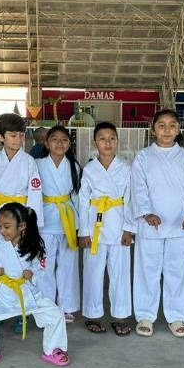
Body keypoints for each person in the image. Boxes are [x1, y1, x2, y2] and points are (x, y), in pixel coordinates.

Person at [130, 109, 184, 338]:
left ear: (178, 130)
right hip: (151, 224)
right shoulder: (143, 157)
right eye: (161, 125)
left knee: (177, 272)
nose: (167, 130)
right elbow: (138, 188)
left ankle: (177, 316)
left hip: (180, 224)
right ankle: (145, 315)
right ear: (153, 130)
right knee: (147, 271)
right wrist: (146, 212)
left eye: (172, 125)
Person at [0, 202, 70, 368]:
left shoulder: (34, 246)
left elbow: (41, 268)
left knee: (56, 315)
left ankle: (54, 349)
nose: (1, 231)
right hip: (2, 295)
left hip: (27, 293)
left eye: (6, 226)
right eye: (0, 226)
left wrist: (32, 274)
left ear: (22, 226)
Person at [77, 122, 134, 336]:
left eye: (112, 138)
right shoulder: (89, 169)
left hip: (119, 226)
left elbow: (130, 199)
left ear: (118, 141)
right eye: (102, 138)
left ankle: (120, 316)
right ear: (95, 143)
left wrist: (129, 228)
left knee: (120, 273)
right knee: (93, 272)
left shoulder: (127, 168)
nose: (107, 142)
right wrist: (83, 231)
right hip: (95, 228)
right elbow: (83, 201)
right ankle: (93, 315)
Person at [36, 125, 82, 324]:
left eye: (64, 139)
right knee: (44, 267)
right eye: (54, 139)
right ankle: (46, 306)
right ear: (46, 143)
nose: (59, 143)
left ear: (69, 143)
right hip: (44, 220)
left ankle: (67, 306)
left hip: (68, 221)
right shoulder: (37, 164)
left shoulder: (74, 166)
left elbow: (77, 198)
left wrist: (80, 225)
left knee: (68, 265)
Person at [0, 113, 43, 243]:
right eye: (13, 135)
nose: (18, 139)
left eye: (22, 135)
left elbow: (35, 194)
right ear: (0, 136)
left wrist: (32, 223)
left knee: (21, 254)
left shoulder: (28, 161)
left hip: (21, 215)